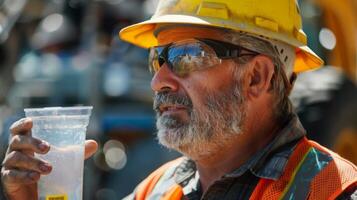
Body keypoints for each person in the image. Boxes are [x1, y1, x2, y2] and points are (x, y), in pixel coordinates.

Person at [2, 0, 357, 199]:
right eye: (158, 57)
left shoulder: (336, 192)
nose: (159, 80)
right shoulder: (156, 191)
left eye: (188, 56)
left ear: (256, 77)